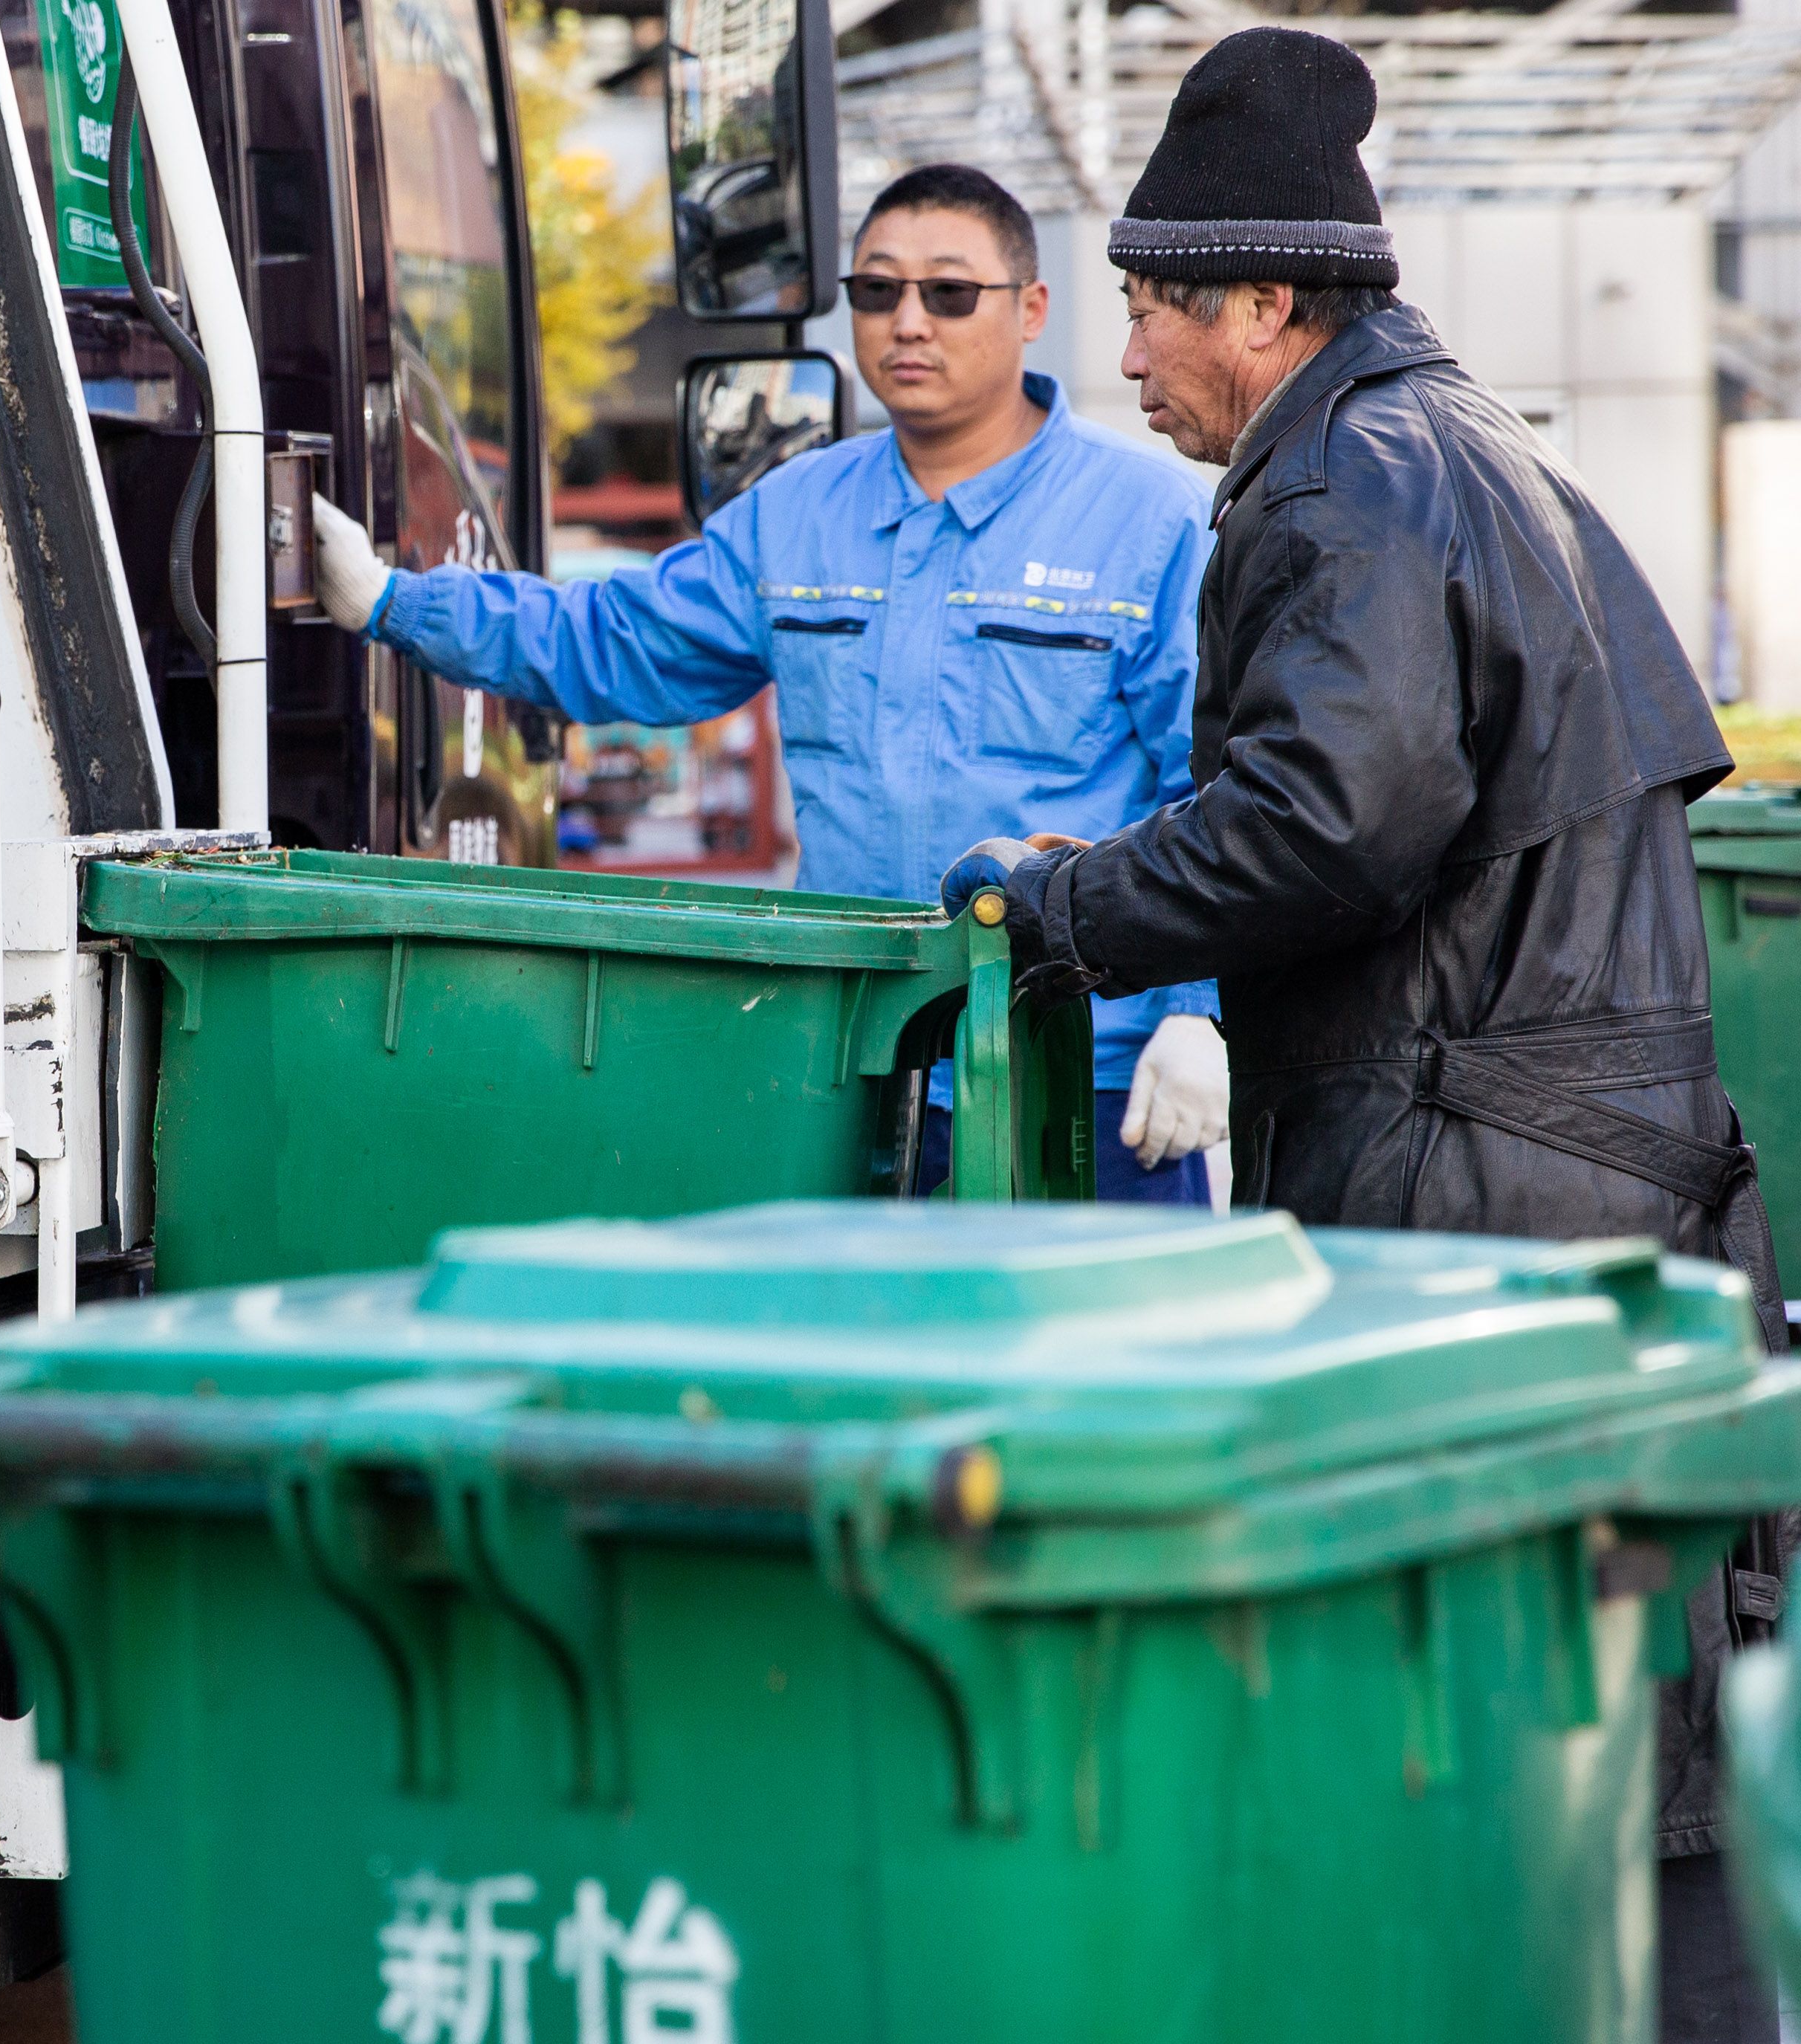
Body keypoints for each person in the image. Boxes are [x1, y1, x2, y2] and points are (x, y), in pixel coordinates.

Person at [931, 30, 1789, 2039]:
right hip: (1599, 1187)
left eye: (1146, 309)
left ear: (1263, 303)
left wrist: (1061, 905)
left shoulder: (1344, 480)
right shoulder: (1467, 441)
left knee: (1505, 1745)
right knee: (1629, 1738)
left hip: (1480, 1200)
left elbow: (1335, 811)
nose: (1126, 356)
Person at [311, 164, 1226, 1199]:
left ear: (1032, 310)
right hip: (854, 1069)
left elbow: (1211, 784)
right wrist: (390, 601)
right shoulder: (797, 513)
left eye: (949, 292)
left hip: (1083, 1081)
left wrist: (1200, 1010)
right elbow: (607, 638)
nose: (907, 322)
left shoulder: (1146, 517)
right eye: (876, 293)